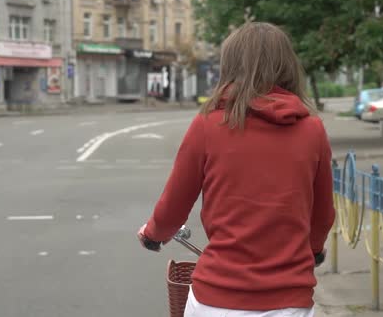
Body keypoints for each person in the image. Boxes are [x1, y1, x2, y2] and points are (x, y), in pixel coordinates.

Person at [137, 22, 335, 317]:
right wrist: (314, 249)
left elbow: (174, 203)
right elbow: (322, 213)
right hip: (289, 300)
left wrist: (153, 233)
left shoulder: (208, 125)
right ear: (288, 66)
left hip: (217, 298)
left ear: (229, 66)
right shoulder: (312, 129)